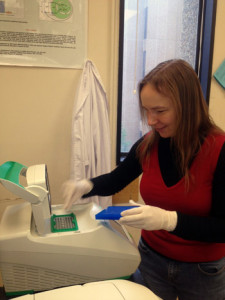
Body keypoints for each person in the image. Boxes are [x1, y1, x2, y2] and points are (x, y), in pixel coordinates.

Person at [62, 59, 225, 300]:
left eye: (159, 111)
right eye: (146, 110)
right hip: (151, 260)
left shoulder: (219, 150)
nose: (150, 120)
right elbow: (118, 178)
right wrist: (86, 185)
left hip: (202, 270)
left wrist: (168, 220)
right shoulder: (150, 144)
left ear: (187, 106)